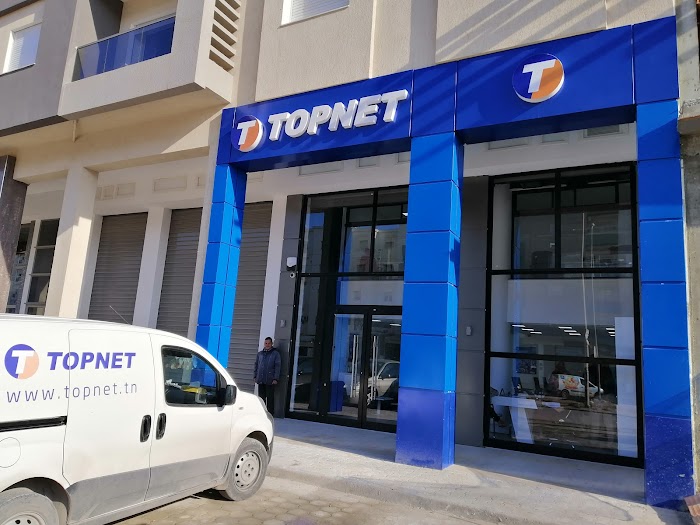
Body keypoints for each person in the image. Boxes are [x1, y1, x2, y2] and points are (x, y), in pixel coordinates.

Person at [254, 337, 281, 414]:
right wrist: (255, 376)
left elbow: (278, 367)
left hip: (270, 380)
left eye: (269, 343)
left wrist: (275, 378)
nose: (267, 345)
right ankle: (262, 413)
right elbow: (256, 365)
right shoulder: (260, 354)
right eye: (266, 343)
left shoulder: (275, 354)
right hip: (261, 379)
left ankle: (270, 414)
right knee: (261, 398)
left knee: (270, 398)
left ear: (272, 344)